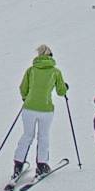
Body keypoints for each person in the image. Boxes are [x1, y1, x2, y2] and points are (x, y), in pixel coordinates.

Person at [11, 45, 68, 183]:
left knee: (27, 135)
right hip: (46, 110)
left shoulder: (31, 70)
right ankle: (42, 165)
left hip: (29, 109)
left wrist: (26, 99)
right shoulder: (55, 72)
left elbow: (22, 88)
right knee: (43, 136)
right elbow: (61, 92)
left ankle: (18, 166)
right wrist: (65, 87)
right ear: (50, 55)